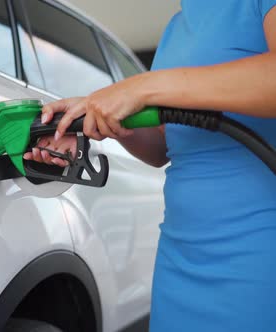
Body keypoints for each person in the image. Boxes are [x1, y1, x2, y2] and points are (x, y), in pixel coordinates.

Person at [23, 1, 276, 331]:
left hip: (257, 249)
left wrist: (141, 88)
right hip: (180, 252)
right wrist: (91, 120)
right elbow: (162, 144)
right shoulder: (176, 27)